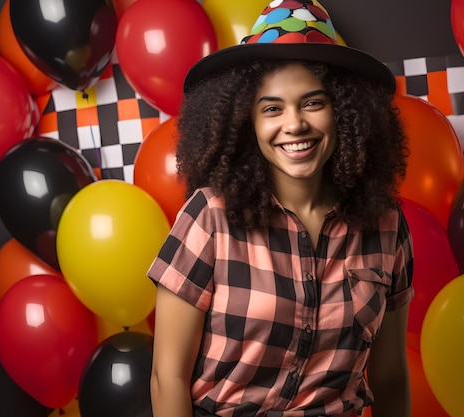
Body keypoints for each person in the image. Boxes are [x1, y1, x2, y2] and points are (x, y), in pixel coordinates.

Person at [148, 1, 414, 416]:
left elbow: (392, 377)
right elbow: (168, 377)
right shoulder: (209, 216)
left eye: (313, 103)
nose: (294, 124)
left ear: (346, 112)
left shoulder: (386, 225)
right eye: (272, 108)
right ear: (245, 121)